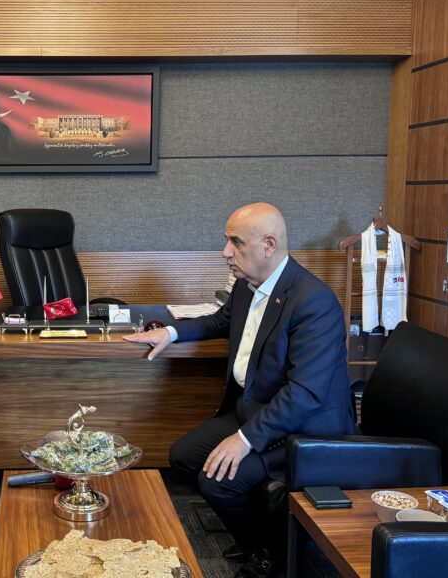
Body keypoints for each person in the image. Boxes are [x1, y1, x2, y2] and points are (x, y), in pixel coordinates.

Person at [124, 202, 354, 578]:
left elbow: (304, 394)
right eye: (226, 240)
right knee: (183, 456)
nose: (225, 252)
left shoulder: (314, 301)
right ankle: (257, 539)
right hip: (255, 409)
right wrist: (170, 332)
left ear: (268, 244)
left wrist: (245, 439)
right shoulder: (249, 287)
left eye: (236, 242)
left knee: (217, 481)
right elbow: (220, 321)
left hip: (301, 428)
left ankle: (276, 555)